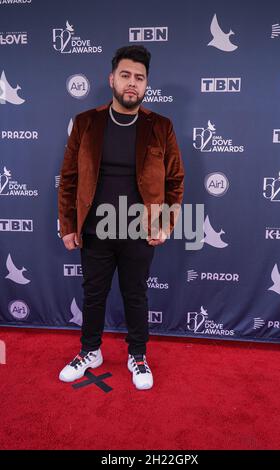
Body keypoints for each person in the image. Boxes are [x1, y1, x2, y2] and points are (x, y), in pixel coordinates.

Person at [58, 45, 184, 390]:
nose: (132, 83)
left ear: (146, 86)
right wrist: (69, 226)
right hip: (95, 229)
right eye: (126, 75)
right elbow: (68, 178)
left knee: (136, 294)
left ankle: (138, 355)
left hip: (139, 231)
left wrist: (166, 224)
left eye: (139, 78)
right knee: (93, 294)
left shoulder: (161, 126)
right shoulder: (86, 123)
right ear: (112, 79)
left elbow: (174, 180)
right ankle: (90, 351)